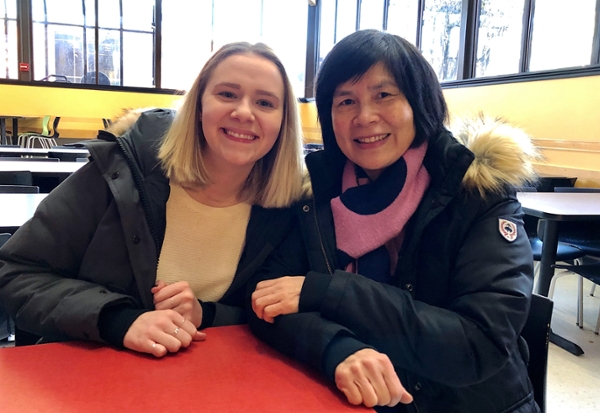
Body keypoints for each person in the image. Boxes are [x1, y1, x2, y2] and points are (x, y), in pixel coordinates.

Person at [249, 30, 541, 412]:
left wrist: (329, 292)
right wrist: (338, 347)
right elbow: (268, 299)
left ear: (419, 103)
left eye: (383, 95)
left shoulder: (476, 193)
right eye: (346, 101)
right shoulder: (317, 194)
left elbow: (476, 346)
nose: (364, 117)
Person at [0, 41, 304, 357]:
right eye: (227, 94)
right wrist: (119, 320)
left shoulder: (288, 208)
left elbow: (274, 313)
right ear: (199, 105)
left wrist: (207, 313)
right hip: (92, 380)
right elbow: (14, 272)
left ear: (283, 122)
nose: (243, 112)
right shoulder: (124, 169)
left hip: (211, 386)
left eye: (265, 103)